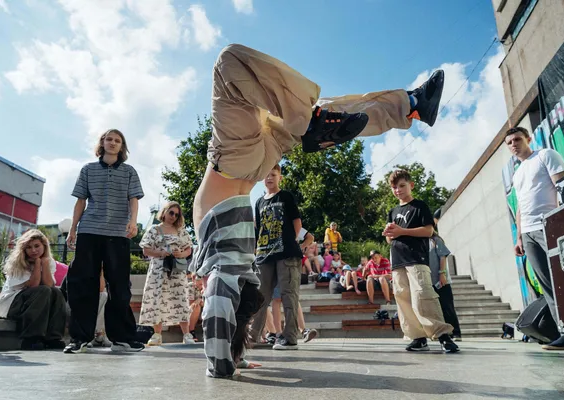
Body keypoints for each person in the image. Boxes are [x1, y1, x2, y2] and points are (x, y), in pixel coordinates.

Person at [191, 43, 445, 378]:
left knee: (314, 113)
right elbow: (219, 304)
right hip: (235, 159)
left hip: (249, 161)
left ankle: (405, 107)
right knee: (230, 63)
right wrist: (220, 363)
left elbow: (226, 309)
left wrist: (233, 356)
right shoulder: (225, 273)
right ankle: (396, 109)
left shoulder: (240, 275)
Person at [64, 128, 145, 354]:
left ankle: (122, 338)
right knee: (83, 284)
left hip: (118, 233)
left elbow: (134, 199)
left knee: (119, 286)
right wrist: (73, 229)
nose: (112, 143)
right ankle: (79, 338)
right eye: (109, 139)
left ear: (122, 146)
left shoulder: (129, 172)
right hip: (89, 230)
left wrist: (134, 221)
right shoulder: (88, 169)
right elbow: (80, 201)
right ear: (102, 143)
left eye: (117, 140)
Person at [506, 126, 564, 351]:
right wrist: (519, 237)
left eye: (517, 139)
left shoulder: (546, 155)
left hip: (550, 226)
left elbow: (563, 185)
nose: (513, 145)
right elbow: (519, 208)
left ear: (528, 139)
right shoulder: (517, 173)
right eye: (509, 143)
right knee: (548, 285)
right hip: (528, 233)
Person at [383, 169, 459, 353]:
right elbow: (390, 239)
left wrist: (402, 231)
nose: (398, 190)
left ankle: (443, 335)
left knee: (423, 295)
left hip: (416, 258)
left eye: (401, 186)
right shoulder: (392, 211)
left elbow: (428, 231)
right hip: (397, 261)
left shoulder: (419, 206)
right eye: (394, 187)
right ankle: (417, 337)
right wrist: (389, 233)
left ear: (411, 185)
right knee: (403, 299)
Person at [249, 164, 304, 351]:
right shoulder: (258, 202)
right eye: (266, 174)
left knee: (289, 295)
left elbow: (297, 224)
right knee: (260, 297)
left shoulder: (286, 196)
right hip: (264, 255)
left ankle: (290, 337)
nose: (269, 177)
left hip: (286, 254)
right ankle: (253, 336)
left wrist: (288, 242)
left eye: (273, 174)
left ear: (280, 176)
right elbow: (258, 229)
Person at [0, 229, 67, 350]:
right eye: (29, 247)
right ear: (24, 249)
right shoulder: (16, 263)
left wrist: (44, 263)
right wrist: (38, 264)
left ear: (44, 246)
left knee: (56, 292)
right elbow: (33, 285)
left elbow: (50, 285)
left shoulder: (49, 262)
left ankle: (53, 338)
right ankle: (31, 338)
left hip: (33, 300)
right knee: (43, 290)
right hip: (10, 304)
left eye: (37, 246)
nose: (33, 250)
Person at [139, 201, 195, 346]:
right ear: (164, 212)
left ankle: (186, 334)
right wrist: (161, 253)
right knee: (157, 299)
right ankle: (157, 334)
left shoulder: (181, 230)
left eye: (177, 214)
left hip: (176, 270)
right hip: (158, 270)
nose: (174, 216)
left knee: (181, 299)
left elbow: (189, 249)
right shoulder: (154, 229)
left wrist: (181, 253)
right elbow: (145, 250)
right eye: (171, 213)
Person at [429, 230, 462, 341]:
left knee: (447, 307)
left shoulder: (436, 240)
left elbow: (443, 256)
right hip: (429, 281)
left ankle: (456, 332)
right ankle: (443, 333)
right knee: (436, 310)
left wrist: (442, 273)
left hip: (441, 280)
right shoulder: (421, 242)